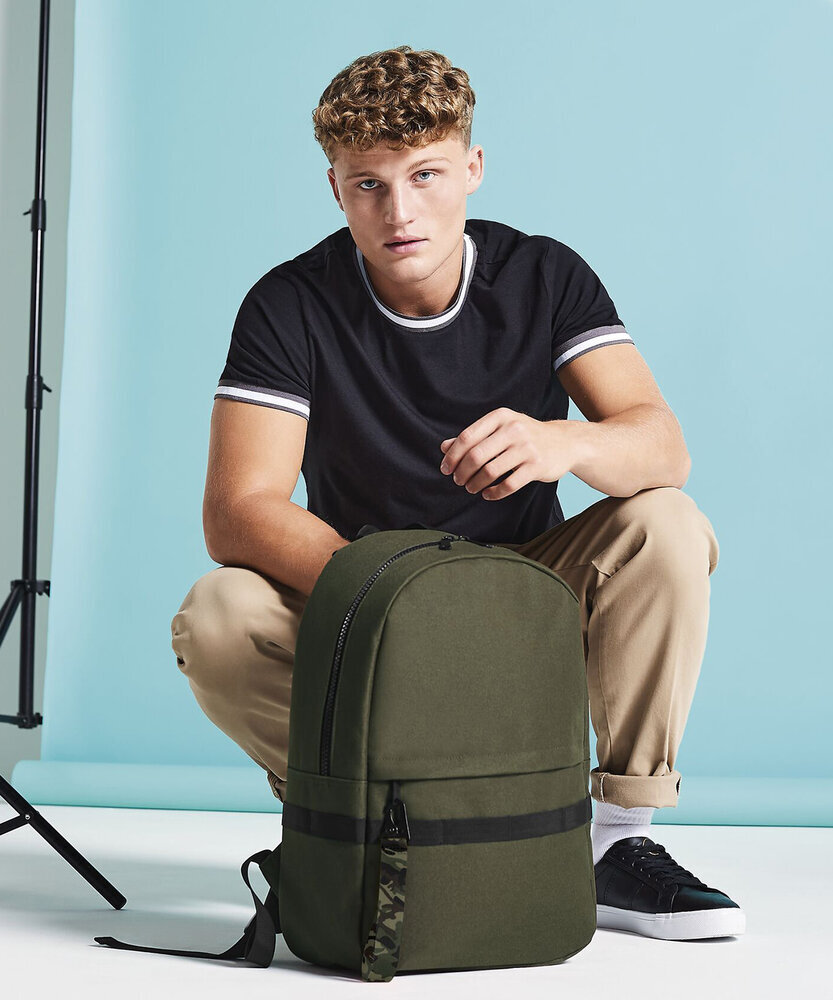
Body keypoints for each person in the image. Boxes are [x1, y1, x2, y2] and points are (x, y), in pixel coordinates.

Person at [171, 44, 744, 942]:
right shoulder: (290, 303)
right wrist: (400, 598)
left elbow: (662, 448)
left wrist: (562, 441)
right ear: (334, 189)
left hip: (524, 592)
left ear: (472, 168)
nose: (398, 212)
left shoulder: (542, 274)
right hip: (370, 599)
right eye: (368, 185)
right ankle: (367, 814)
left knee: (665, 523)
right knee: (218, 612)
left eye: (425, 176)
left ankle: (613, 840)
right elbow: (237, 510)